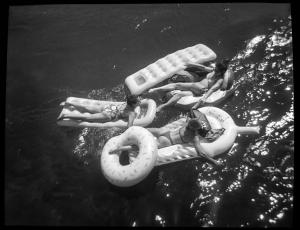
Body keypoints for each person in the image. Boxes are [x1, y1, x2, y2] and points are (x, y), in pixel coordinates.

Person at [114, 109, 225, 166]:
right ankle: (118, 148)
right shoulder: (194, 136)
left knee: (141, 131)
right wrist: (213, 161)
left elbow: (193, 113)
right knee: (138, 147)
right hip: (167, 141)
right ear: (196, 130)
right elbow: (202, 153)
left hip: (163, 131)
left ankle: (123, 134)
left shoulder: (188, 122)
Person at [148, 59, 234, 112]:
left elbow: (212, 89)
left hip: (200, 90)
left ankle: (159, 98)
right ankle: (160, 99)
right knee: (179, 94)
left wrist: (205, 97)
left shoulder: (220, 80)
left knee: (178, 85)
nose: (215, 69)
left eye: (217, 69)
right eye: (215, 68)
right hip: (195, 89)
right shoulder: (212, 71)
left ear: (221, 72)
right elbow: (202, 68)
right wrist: (191, 64)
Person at [58, 95, 141, 128]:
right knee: (87, 118)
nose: (139, 101)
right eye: (138, 101)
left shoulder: (127, 102)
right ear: (133, 104)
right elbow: (129, 126)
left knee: (86, 107)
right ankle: (65, 115)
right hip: (109, 114)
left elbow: (133, 98)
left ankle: (69, 103)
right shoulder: (132, 113)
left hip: (109, 107)